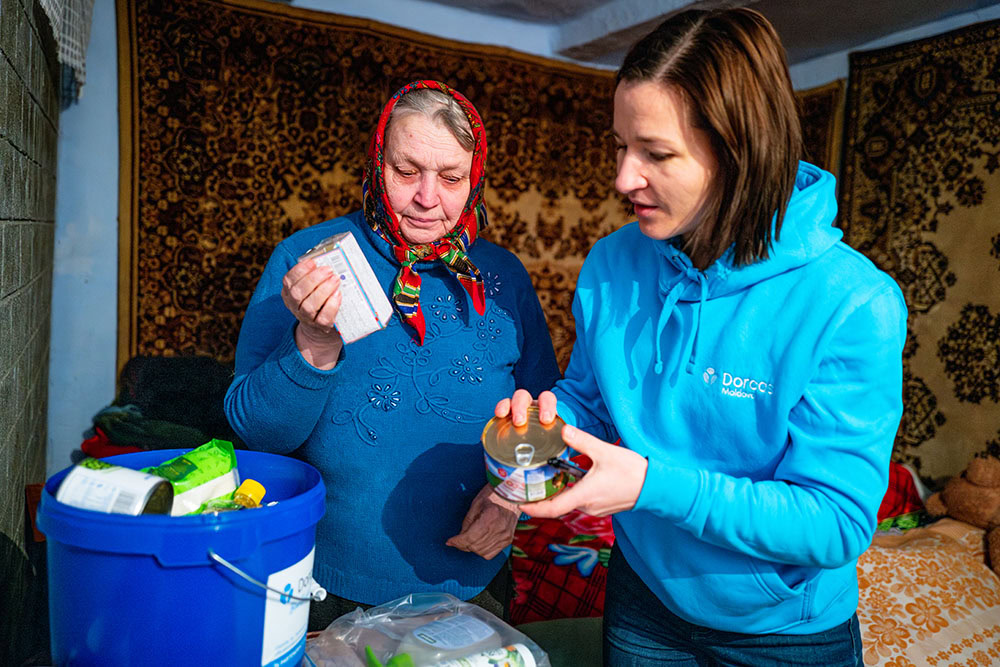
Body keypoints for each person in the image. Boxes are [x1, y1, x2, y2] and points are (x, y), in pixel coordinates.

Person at [497, 8, 906, 666]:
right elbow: (593, 398)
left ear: (738, 151)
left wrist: (651, 486)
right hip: (642, 599)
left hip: (784, 632)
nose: (623, 178)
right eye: (620, 146)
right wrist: (545, 421)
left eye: (655, 153)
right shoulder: (611, 264)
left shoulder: (855, 304)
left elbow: (835, 521)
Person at [225, 80, 560, 629]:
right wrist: (313, 341)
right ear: (377, 162)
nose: (428, 198)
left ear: (475, 180)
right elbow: (258, 434)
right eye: (407, 172)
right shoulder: (311, 260)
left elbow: (550, 413)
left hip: (472, 585)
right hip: (326, 587)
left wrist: (513, 496)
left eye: (451, 178)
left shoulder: (503, 279)